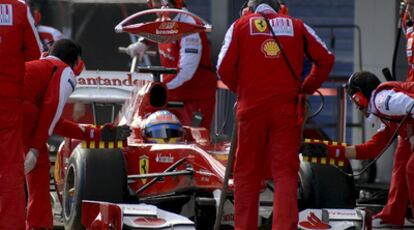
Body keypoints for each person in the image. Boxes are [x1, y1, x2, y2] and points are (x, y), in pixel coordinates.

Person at [216, 0, 334, 229]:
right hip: (287, 111)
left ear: (251, 9)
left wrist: (242, 90)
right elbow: (326, 58)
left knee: (246, 174)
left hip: (251, 110)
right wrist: (306, 87)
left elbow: (223, 67)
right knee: (285, 173)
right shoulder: (297, 25)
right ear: (278, 8)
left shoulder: (239, 26)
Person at [22, 39, 130, 229]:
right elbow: (51, 110)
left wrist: (97, 134)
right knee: (37, 168)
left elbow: (53, 121)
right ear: (75, 62)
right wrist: (35, 149)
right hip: (19, 115)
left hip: (10, 114)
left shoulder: (36, 68)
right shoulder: (64, 70)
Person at [124, 0, 216, 131]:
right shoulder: (166, 17)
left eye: (157, 2)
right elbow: (155, 28)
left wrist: (157, 87)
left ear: (168, 3)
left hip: (195, 99)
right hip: (171, 95)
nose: (153, 7)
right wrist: (143, 42)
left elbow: (185, 72)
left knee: (192, 142)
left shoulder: (189, 27)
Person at [342, 71, 414, 227]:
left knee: (412, 168)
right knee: (401, 163)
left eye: (355, 101)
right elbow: (371, 149)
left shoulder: (384, 101)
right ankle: (392, 217)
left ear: (359, 97)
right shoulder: (384, 111)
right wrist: (335, 152)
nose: (356, 107)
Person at [0, 0, 42, 228]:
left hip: (10, 96)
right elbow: (35, 53)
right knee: (9, 166)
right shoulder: (18, 8)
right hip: (8, 98)